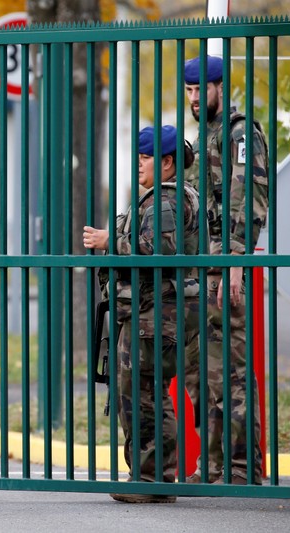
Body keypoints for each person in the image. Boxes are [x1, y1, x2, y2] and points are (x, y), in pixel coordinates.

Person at [83, 125, 200, 503]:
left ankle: (151, 478)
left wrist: (108, 241)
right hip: (151, 311)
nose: (139, 165)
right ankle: (154, 476)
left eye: (145, 158)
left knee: (142, 395)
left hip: (155, 312)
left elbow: (156, 250)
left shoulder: (166, 201)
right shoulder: (160, 198)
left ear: (167, 163)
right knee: (142, 393)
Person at [184, 55, 269, 485]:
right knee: (204, 373)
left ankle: (240, 467)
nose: (196, 99)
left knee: (232, 370)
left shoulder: (240, 133)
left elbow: (250, 199)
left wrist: (236, 263)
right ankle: (213, 466)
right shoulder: (203, 137)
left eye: (203, 90)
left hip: (224, 265)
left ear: (221, 87)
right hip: (200, 267)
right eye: (190, 92)